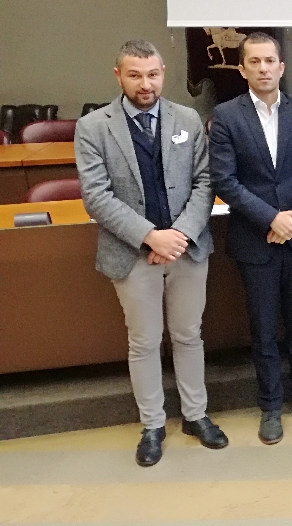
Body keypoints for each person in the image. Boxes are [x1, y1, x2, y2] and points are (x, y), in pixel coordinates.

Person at [75, 39, 228, 466]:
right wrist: (150, 237)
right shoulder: (93, 127)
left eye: (153, 74)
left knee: (188, 335)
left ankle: (196, 416)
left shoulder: (187, 118)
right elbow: (97, 197)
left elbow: (205, 182)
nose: (146, 83)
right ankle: (153, 424)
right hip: (131, 253)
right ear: (118, 75)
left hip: (186, 248)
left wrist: (177, 234)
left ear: (163, 72)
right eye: (135, 75)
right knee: (143, 342)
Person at [209, 32, 292, 444]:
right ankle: (270, 405)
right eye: (255, 62)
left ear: (282, 67)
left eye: (270, 61)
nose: (263, 68)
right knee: (263, 330)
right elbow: (224, 180)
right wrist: (271, 218)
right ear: (243, 68)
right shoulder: (227, 116)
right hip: (255, 239)